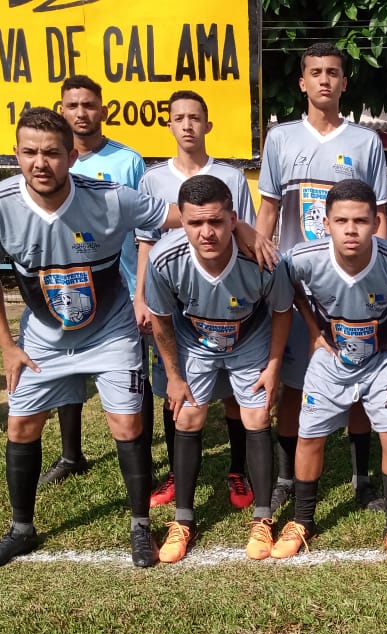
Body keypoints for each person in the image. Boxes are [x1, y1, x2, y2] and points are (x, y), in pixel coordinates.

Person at [0, 108, 179, 569]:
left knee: (127, 424)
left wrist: (239, 226)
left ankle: (140, 526)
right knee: (21, 427)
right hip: (43, 338)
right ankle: (21, 530)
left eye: (51, 153)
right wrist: (7, 346)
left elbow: (179, 214)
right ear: (16, 154)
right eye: (29, 152)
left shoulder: (111, 198)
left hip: (110, 332)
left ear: (71, 156)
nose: (39, 163)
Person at [257, 42, 387, 513]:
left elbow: (379, 216)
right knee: (294, 384)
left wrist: (379, 278)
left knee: (357, 380)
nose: (324, 80)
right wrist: (261, 267)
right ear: (302, 82)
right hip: (298, 285)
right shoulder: (280, 139)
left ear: (344, 82)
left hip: (352, 285)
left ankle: (361, 478)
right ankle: (287, 478)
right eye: (315, 72)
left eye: (333, 72)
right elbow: (268, 209)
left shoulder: (365, 142)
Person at [275, 180, 387, 568]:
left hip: (384, 359)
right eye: (341, 221)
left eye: (360, 220)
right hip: (332, 358)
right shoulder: (302, 257)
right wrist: (313, 330)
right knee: (309, 437)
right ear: (326, 224)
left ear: (376, 222)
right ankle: (302, 521)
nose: (351, 229)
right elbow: (283, 280)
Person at [145, 175, 292, 562]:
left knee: (256, 415)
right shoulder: (164, 259)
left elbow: (281, 312)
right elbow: (161, 320)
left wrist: (273, 366)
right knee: (188, 417)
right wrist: (174, 376)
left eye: (215, 221)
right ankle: (183, 520)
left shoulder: (263, 259)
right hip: (194, 340)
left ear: (233, 219)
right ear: (182, 221)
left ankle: (263, 519)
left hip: (250, 338)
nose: (206, 232)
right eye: (195, 223)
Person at [136, 89, 258, 512]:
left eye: (194, 117)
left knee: (233, 392)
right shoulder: (153, 179)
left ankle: (238, 469)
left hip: (224, 299)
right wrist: (141, 296)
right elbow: (146, 242)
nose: (187, 125)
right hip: (173, 299)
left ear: (208, 125)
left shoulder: (231, 177)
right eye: (179, 118)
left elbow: (245, 233)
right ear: (169, 124)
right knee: (175, 387)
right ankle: (177, 471)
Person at [38, 74, 147, 486]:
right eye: (72, 106)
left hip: (120, 287)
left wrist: (140, 289)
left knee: (133, 373)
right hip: (67, 285)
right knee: (68, 369)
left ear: (103, 110)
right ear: (61, 110)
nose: (81, 113)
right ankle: (71, 454)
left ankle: (139, 453)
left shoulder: (127, 161)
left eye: (88, 105)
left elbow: (144, 228)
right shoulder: (52, 161)